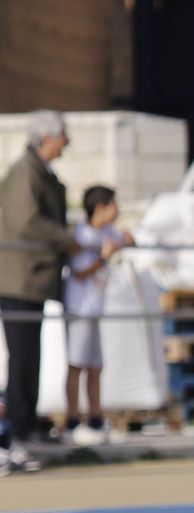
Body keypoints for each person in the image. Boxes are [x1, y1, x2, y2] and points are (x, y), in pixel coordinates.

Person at [0, 109, 74, 450]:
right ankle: (18, 427)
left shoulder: (39, 172)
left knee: (31, 355)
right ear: (46, 138)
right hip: (18, 278)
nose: (66, 143)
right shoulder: (24, 172)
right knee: (22, 356)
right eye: (62, 136)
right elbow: (26, 221)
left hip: (33, 279)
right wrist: (65, 237)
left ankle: (28, 423)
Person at [64, 185, 134, 446]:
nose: (118, 211)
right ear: (101, 207)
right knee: (76, 365)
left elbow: (126, 239)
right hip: (79, 308)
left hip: (96, 309)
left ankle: (95, 418)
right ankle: (72, 421)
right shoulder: (81, 234)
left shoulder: (108, 232)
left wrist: (126, 240)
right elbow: (79, 273)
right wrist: (103, 259)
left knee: (95, 366)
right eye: (114, 205)